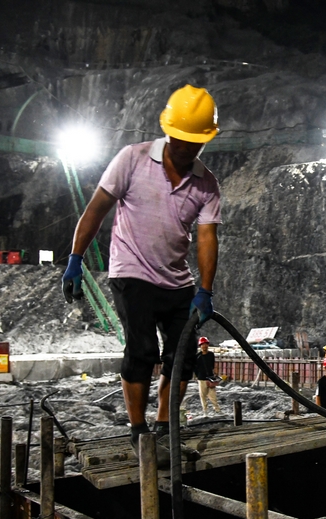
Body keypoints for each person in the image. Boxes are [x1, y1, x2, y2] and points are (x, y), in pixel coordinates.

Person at [61, 84, 221, 467]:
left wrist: (204, 289)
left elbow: (206, 238)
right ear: (168, 131)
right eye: (181, 140)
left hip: (177, 281)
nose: (186, 148)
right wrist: (75, 258)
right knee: (142, 351)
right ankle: (139, 432)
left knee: (181, 356)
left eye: (194, 142)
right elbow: (97, 208)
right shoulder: (131, 159)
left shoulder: (206, 184)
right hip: (131, 272)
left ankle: (165, 430)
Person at [194, 336, 222, 415]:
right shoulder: (197, 356)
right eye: (203, 344)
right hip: (201, 378)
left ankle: (217, 409)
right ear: (200, 346)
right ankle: (205, 411)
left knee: (213, 395)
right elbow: (195, 368)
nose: (204, 346)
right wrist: (198, 376)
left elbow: (212, 365)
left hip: (210, 377)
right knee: (203, 396)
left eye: (206, 344)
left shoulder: (211, 355)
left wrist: (214, 373)